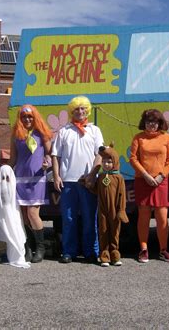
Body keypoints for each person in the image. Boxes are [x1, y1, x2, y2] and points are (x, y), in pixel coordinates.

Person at [52, 96, 104, 264]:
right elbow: (55, 155)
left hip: (88, 182)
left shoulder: (94, 130)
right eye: (76, 109)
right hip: (68, 181)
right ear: (71, 111)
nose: (80, 112)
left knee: (90, 217)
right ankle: (69, 251)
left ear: (87, 110)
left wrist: (92, 175)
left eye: (83, 109)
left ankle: (91, 252)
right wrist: (56, 175)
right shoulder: (64, 131)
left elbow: (100, 155)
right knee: (68, 218)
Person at [130, 109, 169, 263]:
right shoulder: (138, 138)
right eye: (149, 121)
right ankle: (144, 249)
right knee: (143, 216)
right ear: (144, 123)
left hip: (161, 181)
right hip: (143, 180)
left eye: (155, 122)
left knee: (162, 217)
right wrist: (146, 175)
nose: (152, 125)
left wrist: (162, 175)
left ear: (160, 123)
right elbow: (133, 159)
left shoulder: (166, 137)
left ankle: (164, 249)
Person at [8, 104, 52, 263]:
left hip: (37, 179)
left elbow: (50, 154)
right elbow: (13, 159)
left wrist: (48, 163)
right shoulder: (16, 135)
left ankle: (41, 248)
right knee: (24, 216)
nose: (27, 119)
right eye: (24, 117)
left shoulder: (42, 133)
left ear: (35, 118)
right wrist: (4, 173)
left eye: (30, 116)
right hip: (20, 179)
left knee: (33, 214)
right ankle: (27, 248)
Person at [90, 145, 129, 267]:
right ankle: (104, 255)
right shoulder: (101, 176)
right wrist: (88, 184)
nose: (106, 164)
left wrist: (121, 210)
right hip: (102, 210)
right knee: (103, 231)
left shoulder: (119, 178)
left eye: (109, 162)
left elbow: (122, 195)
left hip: (115, 210)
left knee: (115, 232)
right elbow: (97, 190)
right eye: (104, 162)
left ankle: (115, 254)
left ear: (115, 162)